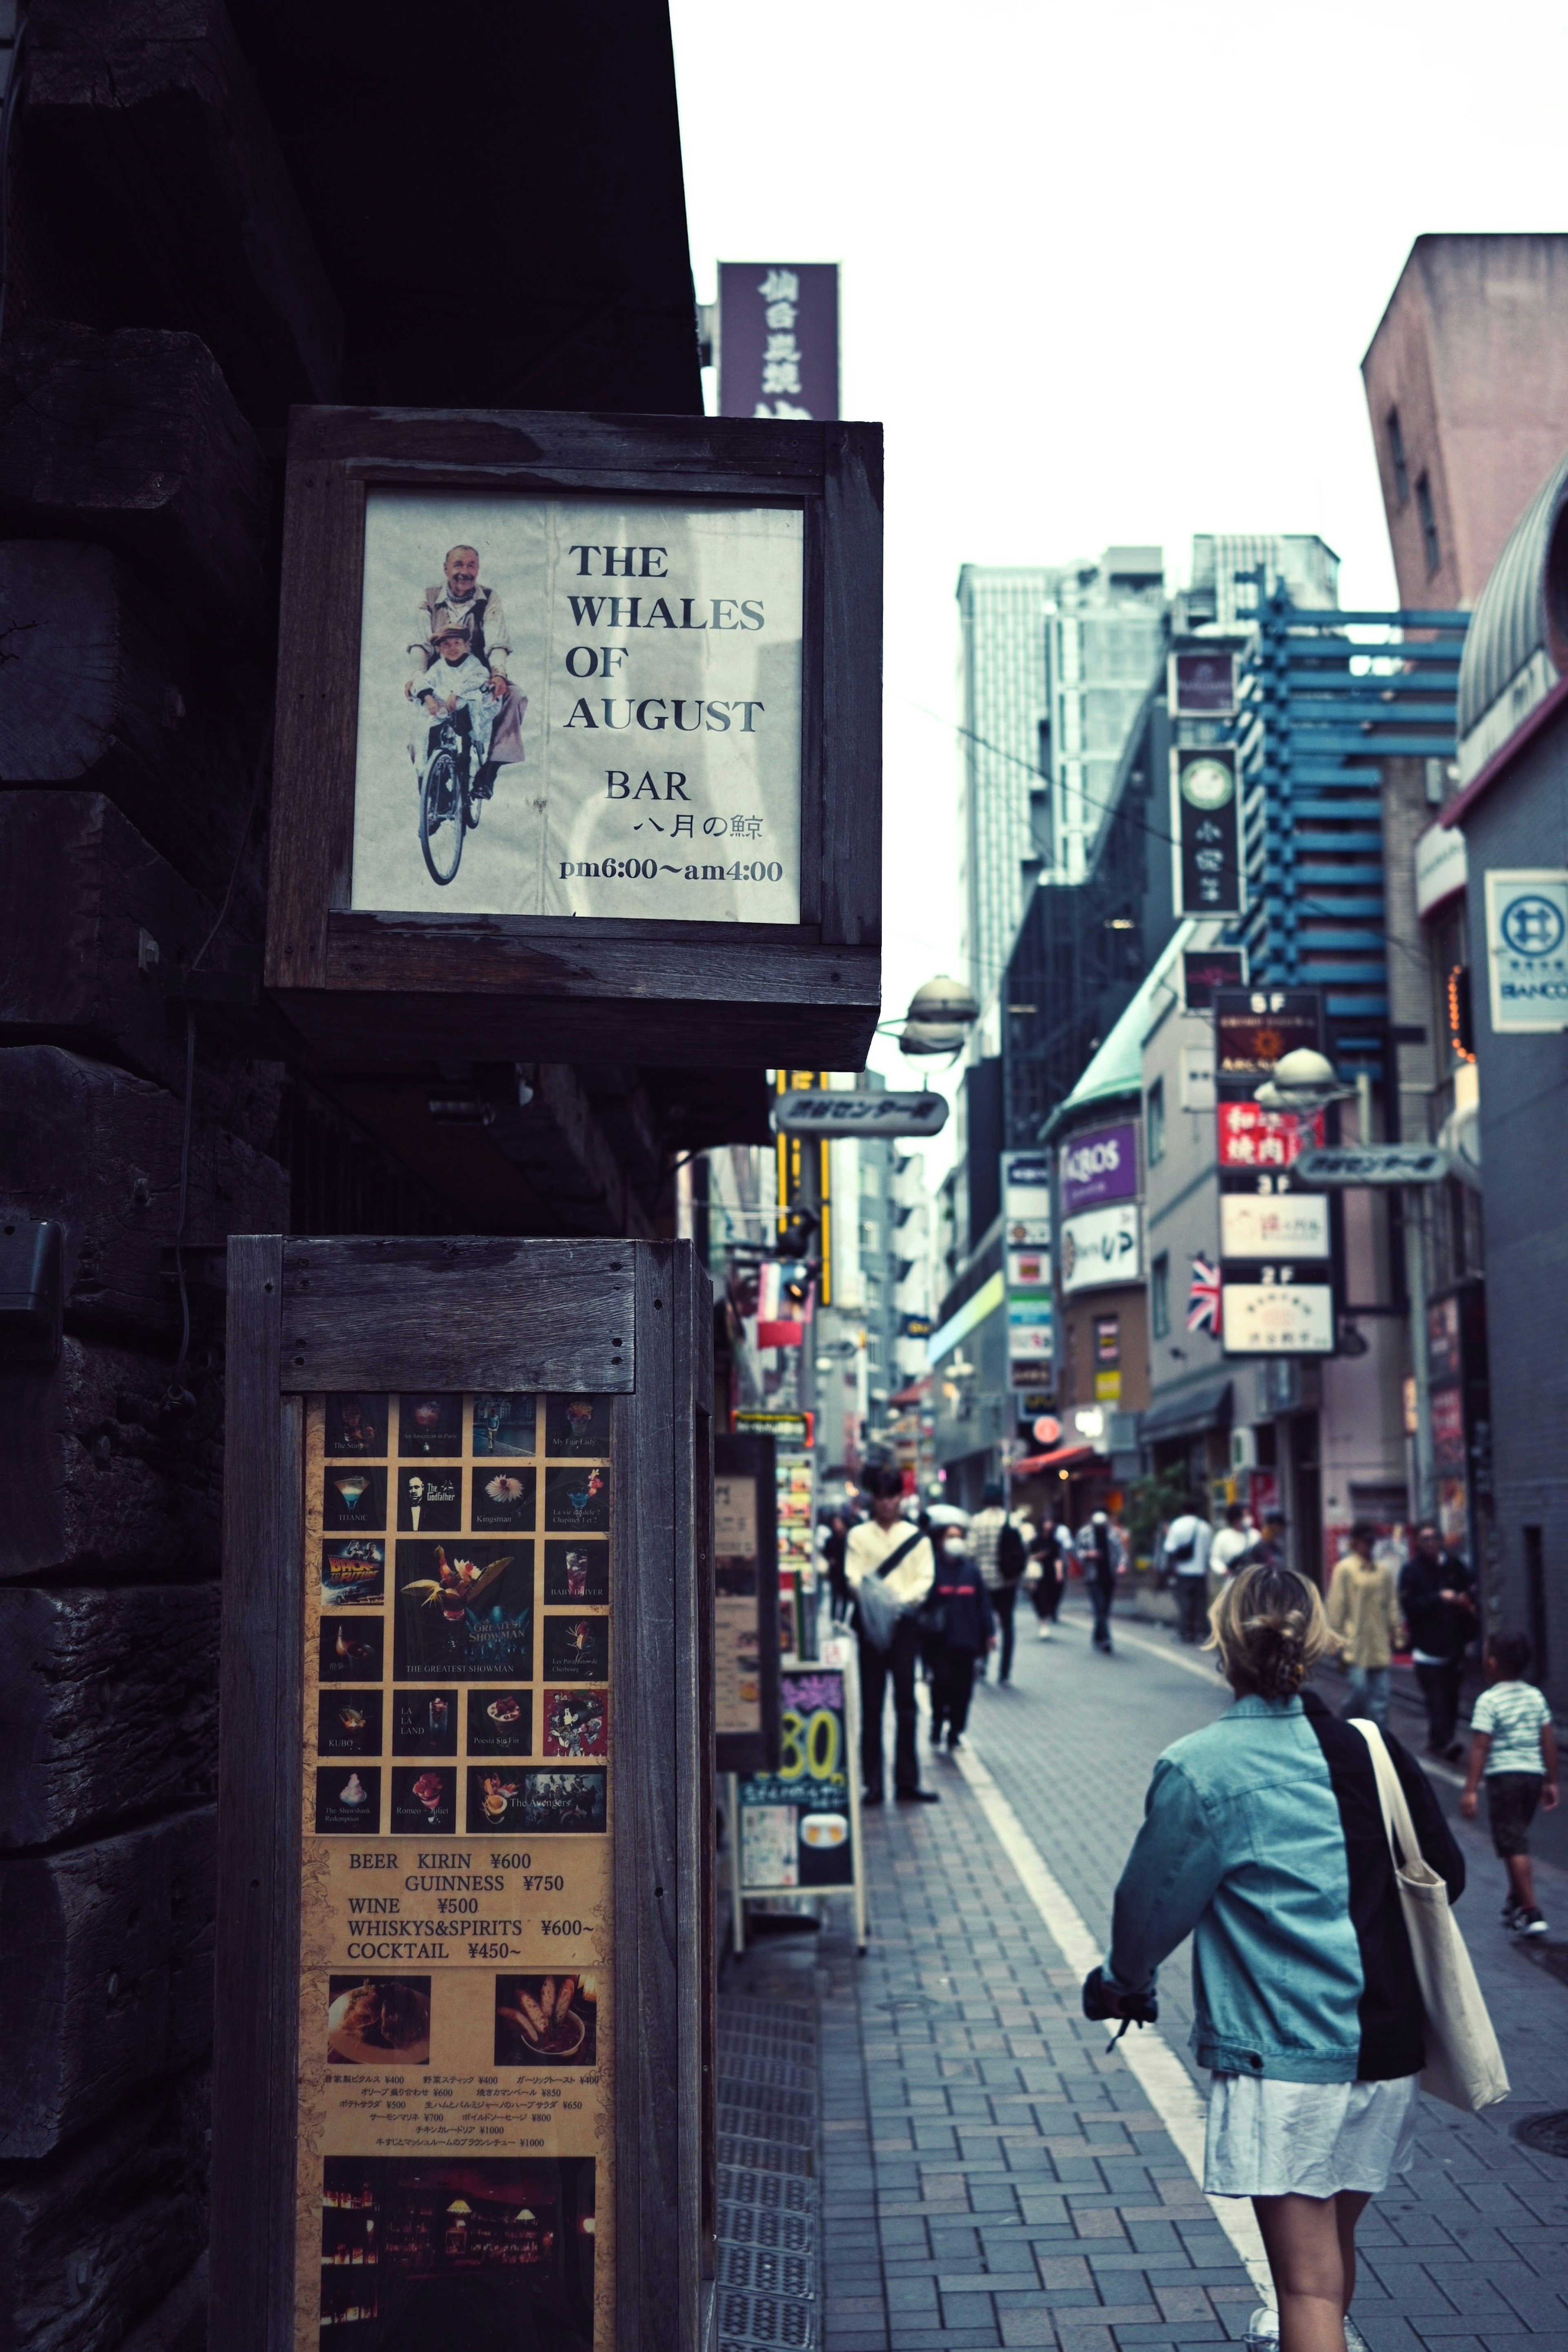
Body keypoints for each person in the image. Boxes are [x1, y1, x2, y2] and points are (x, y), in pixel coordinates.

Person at [1090, 1562, 1463, 2352]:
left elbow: (1149, 1910)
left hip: (1288, 2060)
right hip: (1390, 2053)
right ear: (1318, 1641)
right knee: (1326, 2265)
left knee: (1304, 2285)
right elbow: (1448, 1877)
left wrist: (1124, 1984)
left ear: (1223, 1645)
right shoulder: (1373, 1745)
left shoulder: (1202, 1764)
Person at [845, 1466, 938, 1805]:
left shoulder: (916, 1538)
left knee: (906, 1705)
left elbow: (925, 1580)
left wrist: (894, 1602)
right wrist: (880, 1602)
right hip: (871, 1627)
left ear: (901, 1497)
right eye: (882, 1497)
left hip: (903, 1626)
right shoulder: (859, 1537)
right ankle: (873, 1783)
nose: (887, 1503)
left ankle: (907, 1781)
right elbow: (852, 1578)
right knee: (871, 1705)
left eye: (893, 1496)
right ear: (874, 1499)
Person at [405, 540, 526, 794]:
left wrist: (499, 675)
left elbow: (496, 641)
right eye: (458, 564)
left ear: (478, 570)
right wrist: (417, 675)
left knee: (514, 697)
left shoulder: (489, 598)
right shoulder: (429, 597)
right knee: (421, 726)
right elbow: (420, 642)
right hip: (438, 676)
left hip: (477, 674)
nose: (465, 572)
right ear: (446, 569)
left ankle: (487, 773)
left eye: (472, 566)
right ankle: (433, 788)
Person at [1459, 1631, 1558, 1936]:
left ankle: (1532, 1911)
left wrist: (1471, 1789)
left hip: (1505, 1778)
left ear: (1491, 1663)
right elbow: (1548, 1739)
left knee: (1512, 1842)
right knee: (1515, 1836)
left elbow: (1480, 1746)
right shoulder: (1535, 1696)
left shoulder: (1489, 1700)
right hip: (1532, 1777)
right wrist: (1552, 1780)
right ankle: (1514, 1901)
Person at [1398, 1523, 1477, 1762]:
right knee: (1436, 1699)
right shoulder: (1412, 1571)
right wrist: (1439, 1599)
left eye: (1434, 1538)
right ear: (1418, 1544)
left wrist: (1464, 1599)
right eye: (1425, 1539)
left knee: (1452, 1699)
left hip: (1454, 1645)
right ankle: (1444, 1742)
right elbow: (1410, 1606)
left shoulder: (1454, 1566)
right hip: (1427, 1648)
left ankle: (1440, 1739)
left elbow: (1472, 1588)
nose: (1431, 1543)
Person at [1326, 1523, 1404, 1732]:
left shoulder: (1383, 1571)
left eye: (1371, 1541)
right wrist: (1335, 1643)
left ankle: (1382, 1744)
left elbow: (1392, 1605)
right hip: (1354, 1645)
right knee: (1359, 1693)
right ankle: (1344, 1727)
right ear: (1355, 1543)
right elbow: (1336, 1607)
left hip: (1379, 1645)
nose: (1368, 1546)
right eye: (1364, 1541)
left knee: (1382, 1699)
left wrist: (1398, 1635)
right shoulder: (1345, 1569)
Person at [927, 1526, 994, 1751]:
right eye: (950, 1537)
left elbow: (984, 1605)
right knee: (942, 1684)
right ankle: (938, 1720)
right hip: (939, 1641)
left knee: (963, 1690)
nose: (955, 1541)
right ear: (940, 1542)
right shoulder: (932, 1569)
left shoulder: (972, 1572)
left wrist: (990, 1634)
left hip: (968, 1641)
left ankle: (956, 1731)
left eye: (958, 1537)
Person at [412, 621, 500, 767]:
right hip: (444, 708)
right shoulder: (439, 667)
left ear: (465, 646)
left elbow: (480, 678)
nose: (452, 648)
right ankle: (435, 772)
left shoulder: (473, 663)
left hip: (467, 706)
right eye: (446, 644)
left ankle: (466, 757)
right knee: (432, 731)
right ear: (439, 649)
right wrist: (428, 698)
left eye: (457, 643)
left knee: (466, 732)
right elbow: (424, 682)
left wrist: (456, 693)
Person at [969, 1482, 1026, 1683]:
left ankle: (982, 1663)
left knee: (983, 1623)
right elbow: (1022, 1549)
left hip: (983, 1581)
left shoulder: (976, 1522)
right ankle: (1005, 1671)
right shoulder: (1012, 1520)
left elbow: (970, 1552)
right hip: (1008, 1581)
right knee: (1008, 1623)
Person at [1162, 1495, 1214, 1644]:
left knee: (1185, 1604)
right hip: (1201, 1572)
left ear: (1183, 1511)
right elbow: (1209, 1551)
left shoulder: (1177, 1525)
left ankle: (1185, 1633)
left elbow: (1170, 1549)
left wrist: (1170, 1572)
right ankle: (1201, 1633)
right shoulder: (1205, 1527)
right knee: (1200, 1604)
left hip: (1183, 1571)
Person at [1027, 1516, 1066, 1639]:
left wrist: (1059, 1573)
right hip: (1037, 1573)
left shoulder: (1055, 1542)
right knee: (1038, 1598)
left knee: (1049, 1598)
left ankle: (1044, 1622)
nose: (1049, 1525)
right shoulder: (1035, 1541)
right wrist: (1039, 1556)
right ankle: (1042, 1622)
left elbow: (1058, 1558)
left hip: (1050, 1573)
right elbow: (1028, 1557)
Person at [1086, 1509, 1117, 1653]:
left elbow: (1122, 1553)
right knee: (1100, 1607)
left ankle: (1097, 1637)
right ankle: (1106, 1639)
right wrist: (1088, 1555)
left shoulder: (1113, 1534)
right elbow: (1077, 1551)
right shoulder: (1085, 1534)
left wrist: (1122, 1565)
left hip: (1109, 1577)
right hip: (1093, 1577)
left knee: (1104, 1610)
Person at [1209, 1501, 1254, 1596]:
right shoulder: (1222, 1537)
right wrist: (1224, 1571)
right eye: (1245, 1516)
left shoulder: (1255, 1536)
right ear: (1235, 1519)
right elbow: (1215, 1559)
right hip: (1231, 1583)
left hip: (1253, 1583)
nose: (1249, 1519)